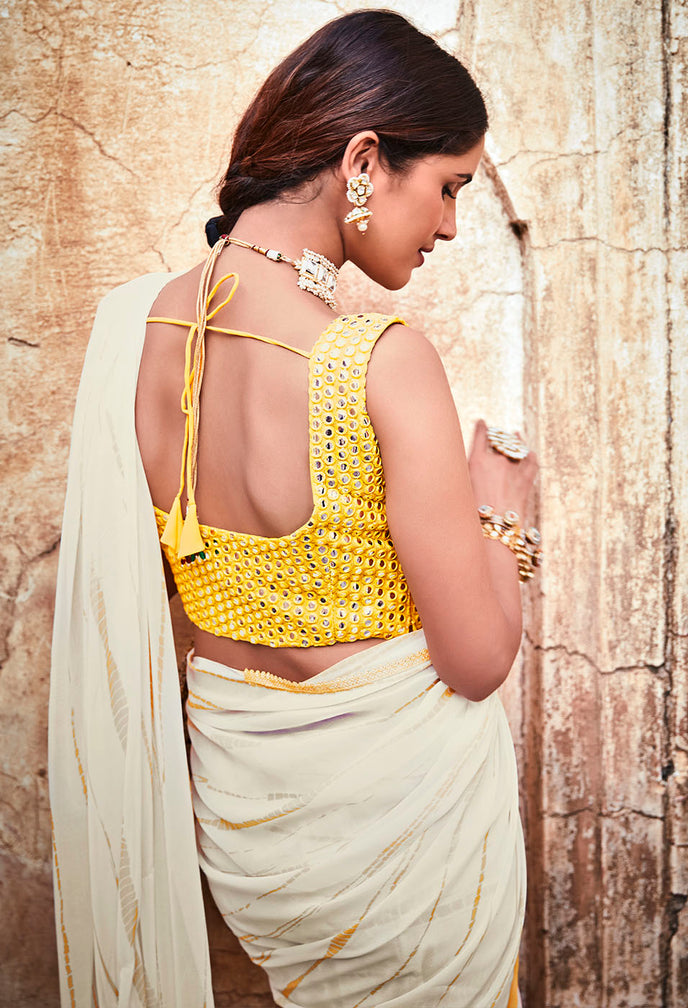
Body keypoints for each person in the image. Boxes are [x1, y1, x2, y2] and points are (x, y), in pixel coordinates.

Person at [49, 10, 540, 1008]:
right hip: (408, 848)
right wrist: (500, 515)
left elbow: (162, 590)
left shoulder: (132, 333)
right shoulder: (378, 361)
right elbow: (479, 659)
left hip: (254, 841)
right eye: (448, 186)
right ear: (364, 161)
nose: (451, 224)